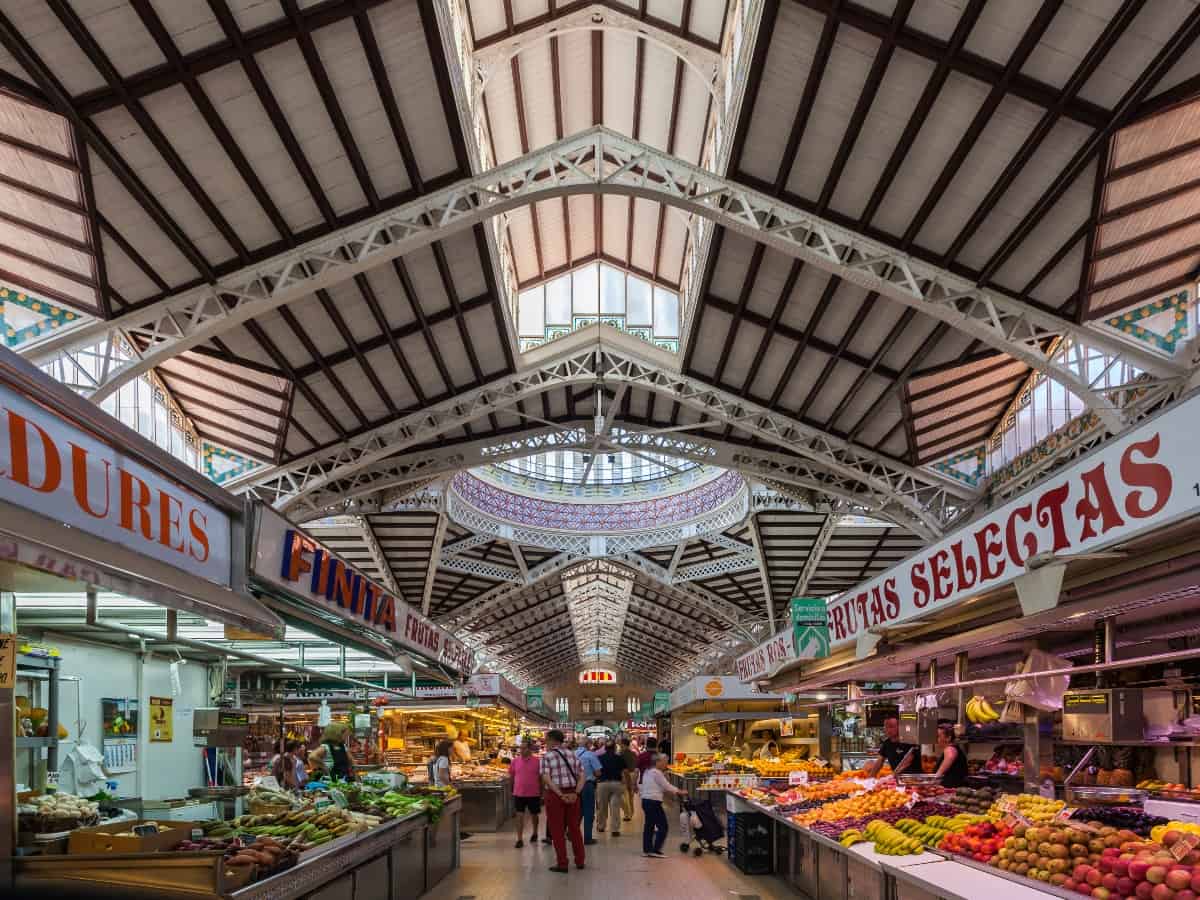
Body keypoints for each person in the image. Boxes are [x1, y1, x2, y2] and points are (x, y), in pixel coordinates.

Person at [540, 729, 586, 874]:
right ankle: (580, 861)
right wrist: (576, 793)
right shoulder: (572, 755)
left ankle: (562, 863)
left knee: (557, 830)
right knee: (574, 829)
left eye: (546, 740)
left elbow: (546, 778)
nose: (545, 743)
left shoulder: (546, 757)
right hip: (573, 793)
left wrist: (560, 794)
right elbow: (582, 776)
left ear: (553, 740)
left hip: (555, 795)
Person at [639, 752, 685, 858]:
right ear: (658, 762)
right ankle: (656, 850)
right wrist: (679, 791)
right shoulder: (656, 773)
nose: (666, 764)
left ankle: (647, 850)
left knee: (649, 826)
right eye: (665, 762)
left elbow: (660, 786)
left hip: (646, 800)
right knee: (663, 826)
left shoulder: (647, 771)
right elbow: (666, 786)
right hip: (653, 802)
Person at [509, 739, 542, 848]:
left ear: (530, 749)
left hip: (534, 793)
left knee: (534, 815)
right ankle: (519, 839)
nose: (521, 750)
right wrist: (511, 789)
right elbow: (512, 777)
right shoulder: (515, 761)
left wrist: (542, 792)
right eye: (520, 748)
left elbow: (541, 778)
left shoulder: (537, 761)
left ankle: (535, 832)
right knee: (519, 816)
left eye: (524, 748)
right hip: (519, 793)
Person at [595, 740, 628, 836]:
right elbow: (625, 771)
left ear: (605, 748)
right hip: (616, 784)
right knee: (615, 806)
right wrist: (628, 783)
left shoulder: (599, 758)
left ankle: (601, 826)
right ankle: (615, 829)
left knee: (602, 806)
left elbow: (596, 771)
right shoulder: (619, 758)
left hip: (602, 784)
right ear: (614, 748)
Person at [576, 737, 602, 845]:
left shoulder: (572, 754)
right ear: (587, 744)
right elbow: (598, 772)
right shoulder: (590, 755)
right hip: (587, 785)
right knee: (588, 812)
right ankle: (587, 837)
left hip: (575, 786)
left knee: (577, 811)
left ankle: (572, 833)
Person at [933, 724, 968, 788]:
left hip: (951, 788)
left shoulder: (950, 748)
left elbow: (950, 756)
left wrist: (935, 778)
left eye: (938, 736)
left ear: (948, 738)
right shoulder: (954, 747)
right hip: (954, 787)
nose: (936, 739)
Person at [618, 737, 637, 822]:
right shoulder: (633, 753)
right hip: (633, 774)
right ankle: (631, 812)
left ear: (623, 744)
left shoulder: (621, 754)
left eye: (620, 743)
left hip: (625, 775)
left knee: (624, 795)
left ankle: (628, 814)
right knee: (630, 795)